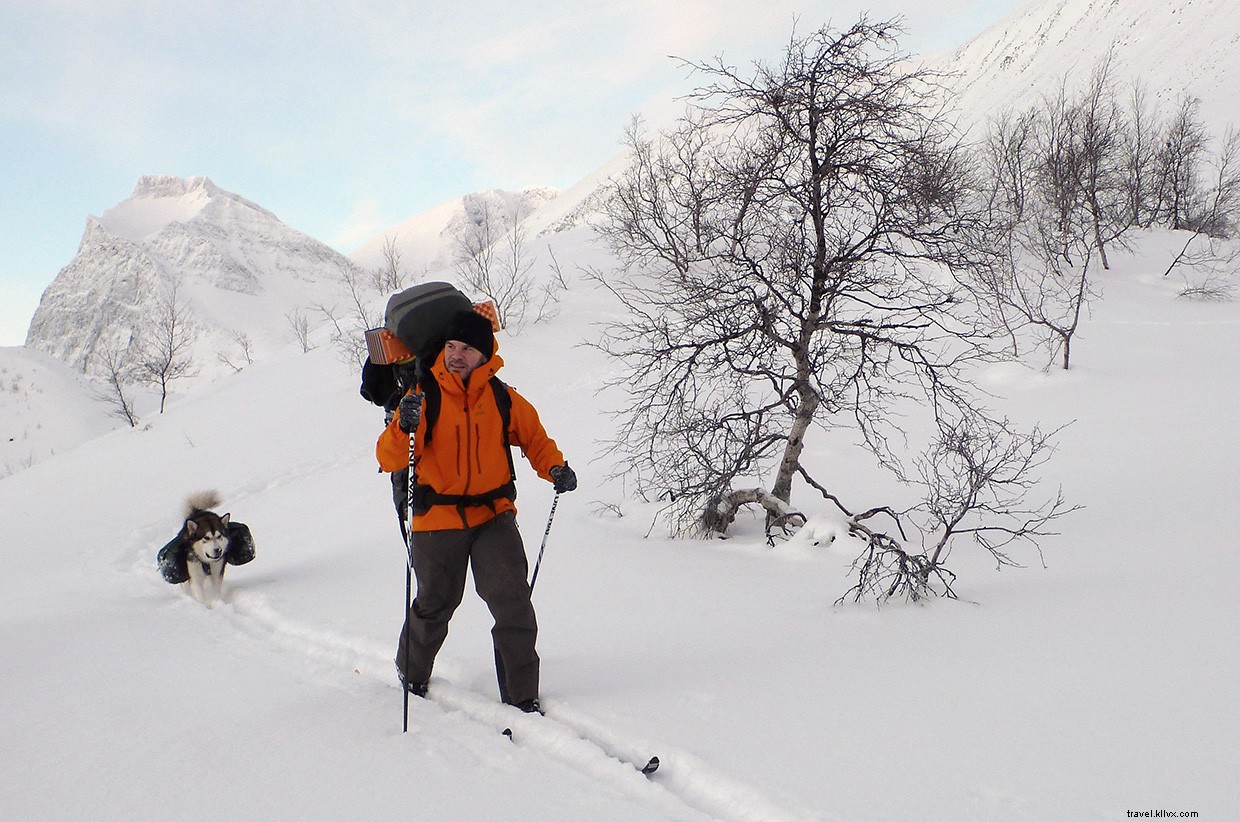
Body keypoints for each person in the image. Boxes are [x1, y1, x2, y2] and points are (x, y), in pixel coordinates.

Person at [375, 308, 576, 714]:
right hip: (436, 520)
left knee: (513, 603)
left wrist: (554, 466)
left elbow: (534, 438)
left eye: (467, 348)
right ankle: (410, 671)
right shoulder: (423, 396)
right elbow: (389, 456)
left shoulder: (502, 397)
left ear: (484, 355)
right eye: (451, 346)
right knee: (435, 604)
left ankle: (522, 695)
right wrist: (402, 425)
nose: (456, 355)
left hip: (493, 515)